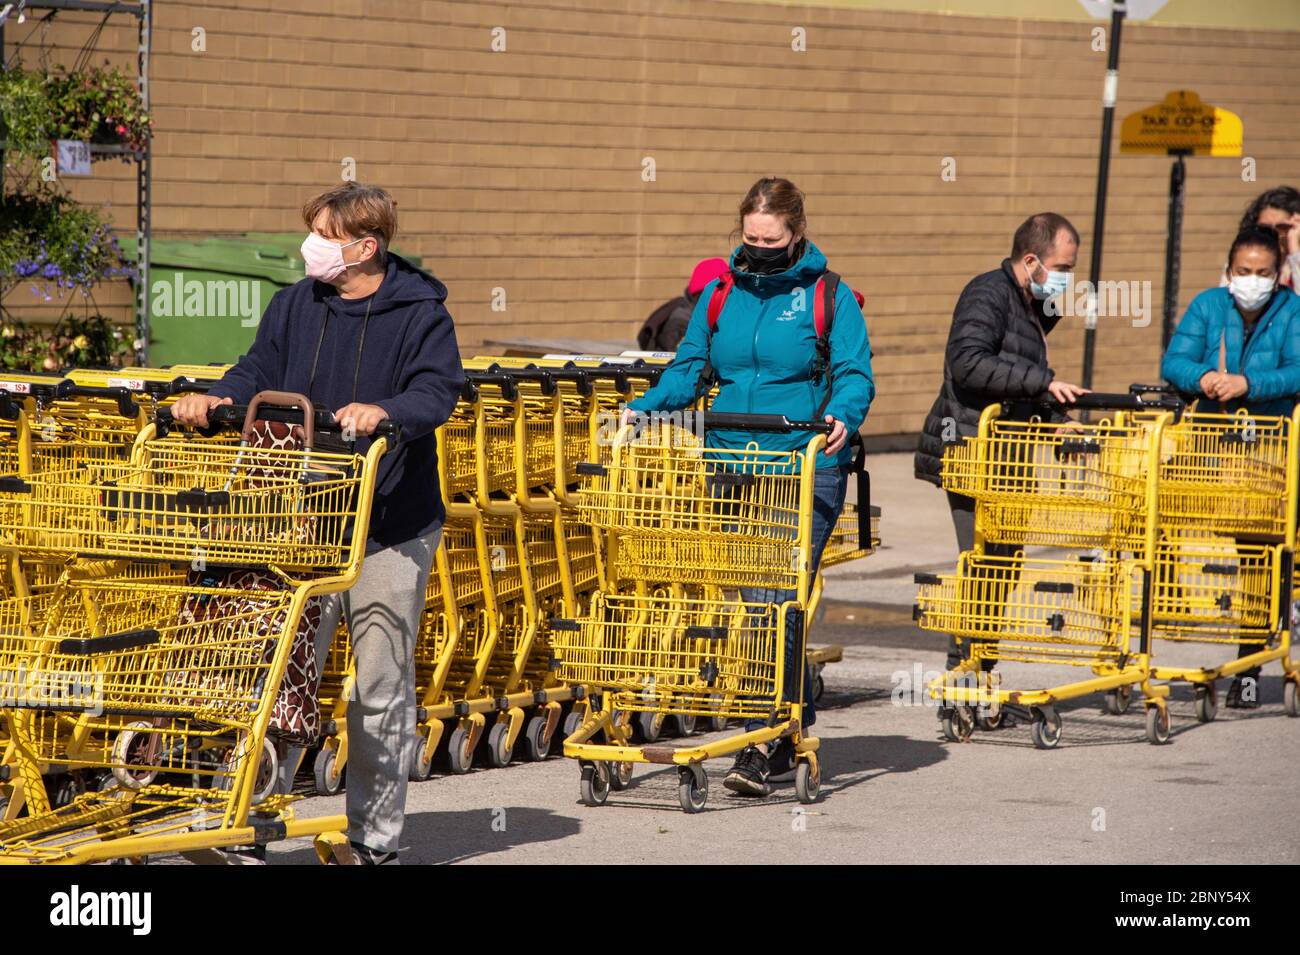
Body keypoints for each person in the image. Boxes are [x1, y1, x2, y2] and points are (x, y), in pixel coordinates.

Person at [171, 182, 465, 863]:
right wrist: (217, 398)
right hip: (300, 521)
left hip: (390, 522)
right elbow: (257, 371)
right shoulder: (295, 304)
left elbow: (435, 391)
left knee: (380, 688)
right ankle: (240, 824)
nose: (311, 246)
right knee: (275, 676)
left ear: (365, 247)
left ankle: (376, 839)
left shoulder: (421, 313)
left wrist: (383, 412)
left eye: (324, 235)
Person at [624, 176, 874, 796]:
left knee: (776, 601)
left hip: (803, 465)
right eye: (751, 237)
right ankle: (784, 731)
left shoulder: (829, 296)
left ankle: (766, 740)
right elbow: (689, 368)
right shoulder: (718, 295)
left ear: (796, 233)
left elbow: (853, 372)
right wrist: (647, 407)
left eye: (773, 238)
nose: (760, 246)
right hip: (732, 463)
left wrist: (844, 412)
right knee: (751, 604)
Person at [914, 213, 1088, 676]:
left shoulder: (1034, 304)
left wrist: (1055, 420)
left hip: (1008, 452)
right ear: (1031, 261)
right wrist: (1046, 384)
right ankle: (963, 672)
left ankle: (980, 669)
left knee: (1002, 568)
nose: (1068, 279)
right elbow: (969, 364)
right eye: (1063, 268)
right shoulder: (987, 294)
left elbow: (1013, 378)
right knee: (983, 566)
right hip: (972, 449)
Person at [1162, 226, 1300, 708]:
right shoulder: (1208, 306)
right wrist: (1203, 376)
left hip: (1267, 450)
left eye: (1263, 273)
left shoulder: (1293, 311)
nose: (1253, 281)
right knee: (1155, 515)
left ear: (1280, 273)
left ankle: (1249, 662)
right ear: (1229, 270)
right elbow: (1174, 360)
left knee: (1258, 556)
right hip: (1208, 445)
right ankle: (1166, 610)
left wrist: (1248, 383)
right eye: (1244, 272)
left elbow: (1297, 369)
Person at [637, 258, 730, 351]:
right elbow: (686, 359)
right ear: (705, 293)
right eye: (725, 292)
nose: (727, 298)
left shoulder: (709, 316)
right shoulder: (681, 322)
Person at [1236, 186, 1300, 291]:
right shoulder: (1242, 262)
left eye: (1282, 227)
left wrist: (1295, 251)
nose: (1273, 233)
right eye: (1264, 228)